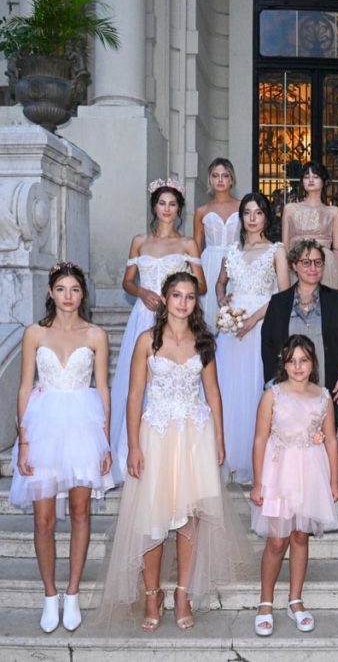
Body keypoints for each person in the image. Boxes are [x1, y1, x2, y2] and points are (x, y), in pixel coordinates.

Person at [99, 271, 252, 632]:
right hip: (156, 435)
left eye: (189, 296)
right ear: (165, 299)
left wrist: (220, 440)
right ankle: (152, 595)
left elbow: (213, 393)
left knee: (190, 518)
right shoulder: (147, 341)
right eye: (177, 295)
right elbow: (134, 396)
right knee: (152, 518)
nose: (183, 302)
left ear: (195, 302)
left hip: (195, 435)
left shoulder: (204, 341)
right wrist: (133, 445)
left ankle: (183, 594)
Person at [9, 261, 112, 633]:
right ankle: (49, 594)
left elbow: (102, 389)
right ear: (51, 293)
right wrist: (24, 440)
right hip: (44, 427)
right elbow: (25, 387)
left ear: (83, 294)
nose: (68, 296)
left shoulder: (96, 334)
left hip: (83, 426)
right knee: (44, 518)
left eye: (75, 289)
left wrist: (105, 442)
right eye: (61, 289)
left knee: (81, 512)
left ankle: (73, 593)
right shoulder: (34, 333)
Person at [108, 180, 206, 485]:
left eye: (172, 204)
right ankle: (133, 449)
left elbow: (201, 285)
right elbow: (127, 282)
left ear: (179, 209)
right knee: (139, 381)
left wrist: (177, 293)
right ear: (154, 207)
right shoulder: (140, 241)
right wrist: (141, 291)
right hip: (144, 314)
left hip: (177, 314)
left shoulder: (188, 244)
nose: (167, 209)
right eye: (162, 203)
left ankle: (174, 450)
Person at [250, 335, 338, 636]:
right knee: (277, 540)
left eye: (303, 360)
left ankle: (295, 600)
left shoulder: (323, 396)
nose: (298, 367)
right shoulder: (273, 395)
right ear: (284, 364)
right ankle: (265, 602)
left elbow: (330, 440)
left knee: (301, 536)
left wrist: (334, 480)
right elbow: (260, 439)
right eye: (292, 361)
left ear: (313, 363)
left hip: (311, 472)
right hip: (278, 473)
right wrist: (258, 482)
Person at [214, 193, 291, 483]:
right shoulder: (232, 251)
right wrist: (223, 301)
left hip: (261, 325)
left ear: (266, 217)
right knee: (229, 387)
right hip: (232, 329)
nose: (252, 218)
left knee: (254, 387)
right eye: (247, 212)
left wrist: (254, 319)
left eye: (258, 212)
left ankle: (255, 459)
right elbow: (220, 283)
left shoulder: (276, 251)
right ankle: (228, 456)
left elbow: (284, 296)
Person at [260, 239, 338, 425]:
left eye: (318, 262)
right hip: (288, 391)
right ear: (294, 265)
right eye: (306, 262)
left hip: (331, 389)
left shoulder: (337, 300)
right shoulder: (278, 303)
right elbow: (268, 345)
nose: (313, 268)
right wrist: (273, 384)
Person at [193, 158, 240, 331]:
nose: (220, 180)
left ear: (231, 179)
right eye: (215, 175)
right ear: (210, 180)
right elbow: (196, 247)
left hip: (236, 262)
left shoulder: (243, 206)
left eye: (225, 175)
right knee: (209, 314)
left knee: (235, 312)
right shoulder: (202, 211)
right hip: (209, 264)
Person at [282, 161, 338, 288]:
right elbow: (285, 248)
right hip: (297, 264)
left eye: (315, 176)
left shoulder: (334, 212)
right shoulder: (290, 209)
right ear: (302, 182)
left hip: (326, 265)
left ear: (323, 181)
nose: (311, 180)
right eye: (306, 177)